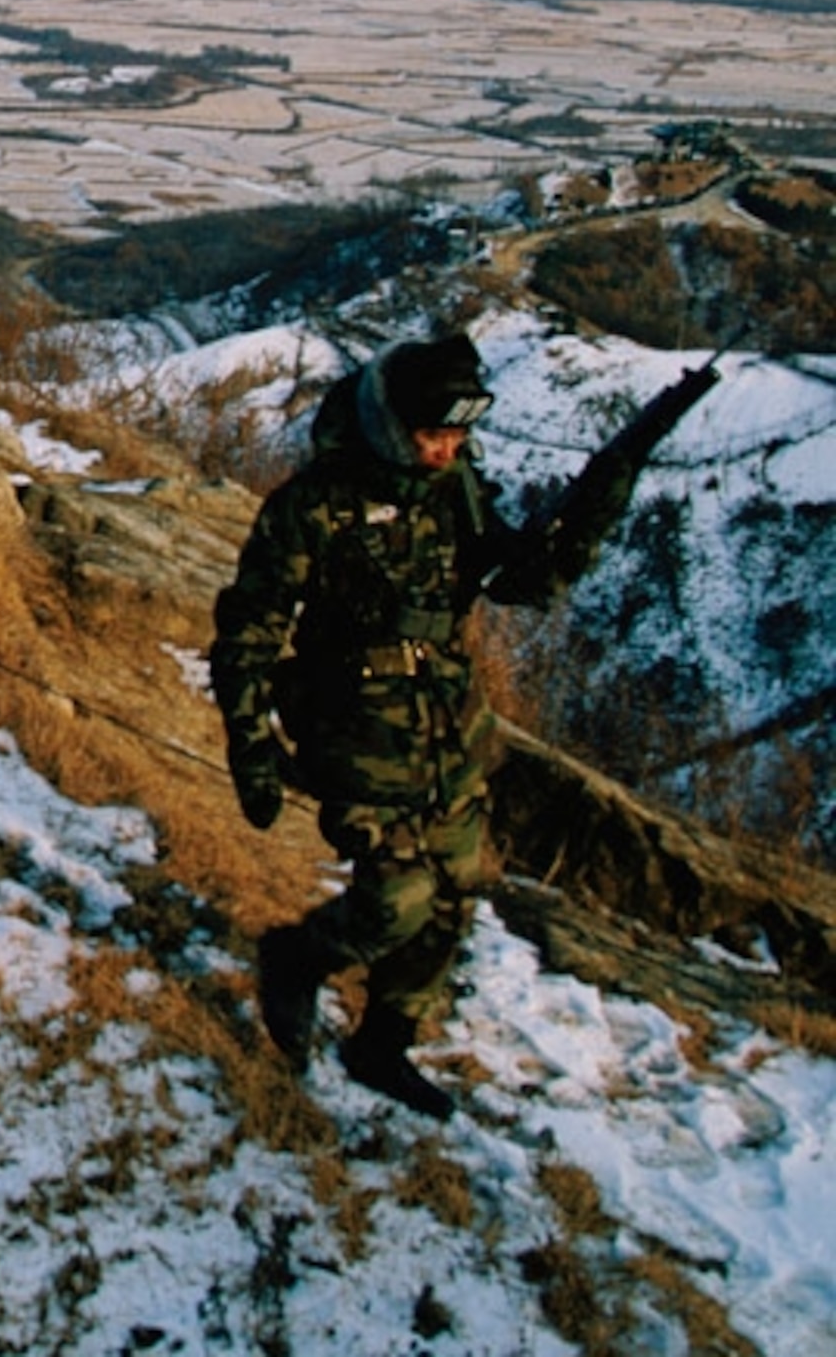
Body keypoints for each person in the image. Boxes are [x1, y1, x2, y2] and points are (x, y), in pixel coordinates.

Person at [208, 331, 554, 1119]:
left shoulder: (456, 491)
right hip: (355, 730)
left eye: (458, 436)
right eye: (433, 435)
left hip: (448, 727)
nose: (447, 450)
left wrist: (582, 522)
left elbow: (517, 579)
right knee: (396, 897)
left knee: (451, 897)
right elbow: (249, 631)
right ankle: (298, 958)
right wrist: (251, 747)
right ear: (395, 425)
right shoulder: (313, 506)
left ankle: (384, 1043)